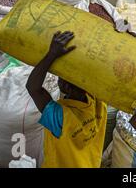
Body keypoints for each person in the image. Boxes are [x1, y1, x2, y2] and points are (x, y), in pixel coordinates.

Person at [26, 31, 107, 168]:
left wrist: (51, 55)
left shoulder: (61, 117)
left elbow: (33, 88)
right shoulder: (99, 102)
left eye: (61, 76)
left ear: (65, 86)